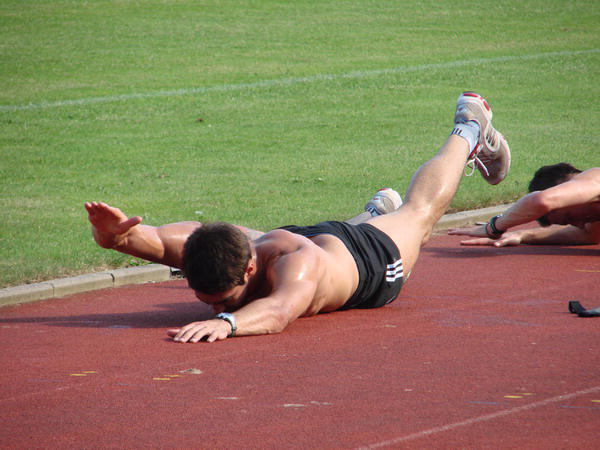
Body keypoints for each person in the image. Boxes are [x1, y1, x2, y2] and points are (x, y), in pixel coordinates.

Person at [85, 92, 510, 343]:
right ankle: (372, 214)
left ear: (250, 268)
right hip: (306, 238)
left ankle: (470, 126)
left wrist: (229, 323)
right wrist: (114, 238)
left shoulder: (298, 267)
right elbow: (151, 241)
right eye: (208, 301)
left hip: (369, 261)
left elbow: (279, 311)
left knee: (419, 213)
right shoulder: (214, 249)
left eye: (225, 299)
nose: (215, 307)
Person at [448, 163, 600, 246]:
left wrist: (493, 227)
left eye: (569, 218)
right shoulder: (593, 210)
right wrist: (523, 234)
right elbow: (588, 235)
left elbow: (540, 201)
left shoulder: (595, 179)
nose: (579, 224)